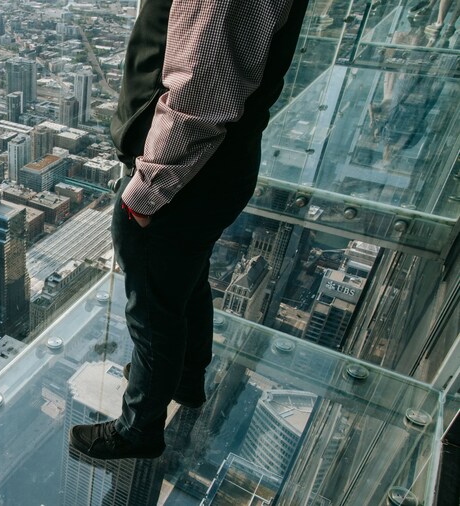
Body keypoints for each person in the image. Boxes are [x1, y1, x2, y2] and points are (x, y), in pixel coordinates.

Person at [69, 0, 310, 460]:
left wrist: (148, 190)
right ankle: (185, 379)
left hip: (182, 176)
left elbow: (203, 88)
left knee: (153, 313)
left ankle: (139, 428)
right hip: (216, 167)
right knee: (186, 280)